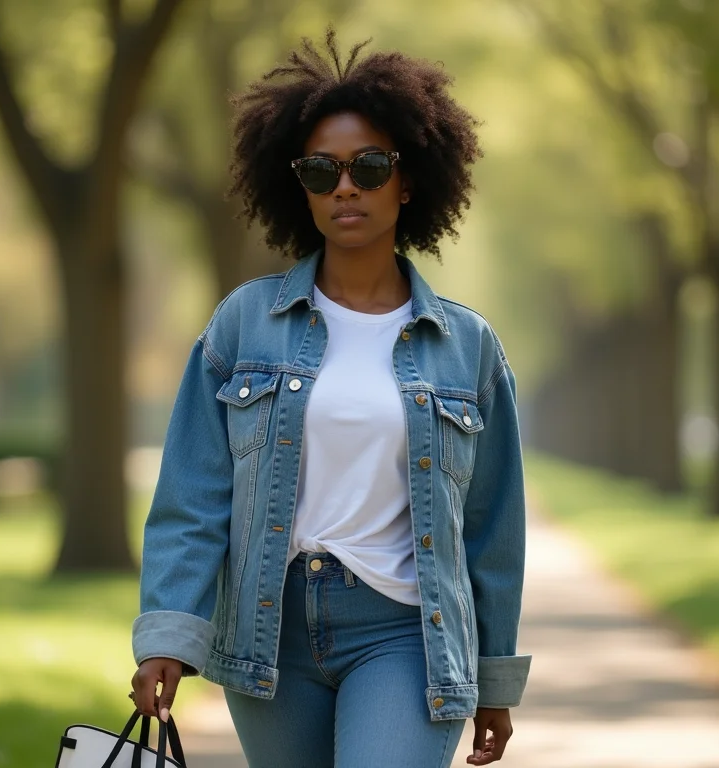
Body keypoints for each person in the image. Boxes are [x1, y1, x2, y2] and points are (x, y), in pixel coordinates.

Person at [131, 28, 531, 768]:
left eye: (369, 166)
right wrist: (167, 636)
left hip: (405, 632)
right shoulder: (242, 326)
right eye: (322, 171)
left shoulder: (469, 347)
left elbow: (492, 529)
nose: (345, 185)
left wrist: (495, 677)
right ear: (302, 189)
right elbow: (193, 498)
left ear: (407, 181)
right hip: (268, 635)